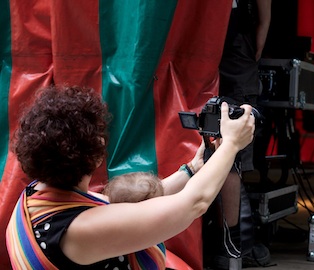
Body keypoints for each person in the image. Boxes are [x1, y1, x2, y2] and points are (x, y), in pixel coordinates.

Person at [5, 84, 255, 270]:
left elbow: (127, 211)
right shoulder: (77, 230)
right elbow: (193, 204)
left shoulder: (38, 196)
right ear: (94, 155)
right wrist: (231, 144)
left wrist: (191, 169)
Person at [207, 0, 272, 269]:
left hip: (221, 42)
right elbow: (263, 19)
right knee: (231, 153)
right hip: (231, 45)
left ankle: (234, 245)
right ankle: (234, 245)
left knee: (223, 147)